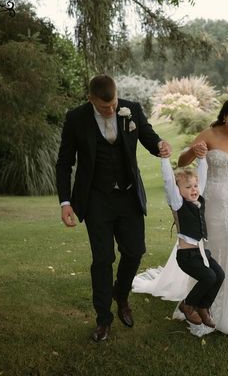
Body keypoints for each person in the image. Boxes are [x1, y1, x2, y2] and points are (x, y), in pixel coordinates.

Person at [133, 97, 228, 339]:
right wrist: (194, 150)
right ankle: (200, 302)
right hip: (211, 204)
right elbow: (182, 163)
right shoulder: (209, 134)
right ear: (224, 116)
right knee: (211, 253)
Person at [56, 74, 171, 342]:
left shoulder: (132, 110)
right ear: (91, 99)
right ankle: (103, 319)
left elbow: (149, 137)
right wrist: (65, 202)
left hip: (128, 196)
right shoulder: (76, 119)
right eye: (104, 106)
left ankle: (121, 293)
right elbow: (64, 163)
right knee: (102, 259)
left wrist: (160, 145)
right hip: (95, 199)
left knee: (135, 251)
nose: (111, 110)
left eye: (114, 104)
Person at [160, 154, 225, 328]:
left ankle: (203, 306)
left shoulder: (198, 200)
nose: (194, 189)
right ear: (178, 190)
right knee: (209, 277)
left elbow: (202, 178)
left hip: (202, 252)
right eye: (188, 187)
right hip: (187, 256)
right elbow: (168, 182)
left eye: (195, 186)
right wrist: (165, 160)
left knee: (219, 275)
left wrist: (202, 159)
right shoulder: (177, 203)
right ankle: (187, 304)